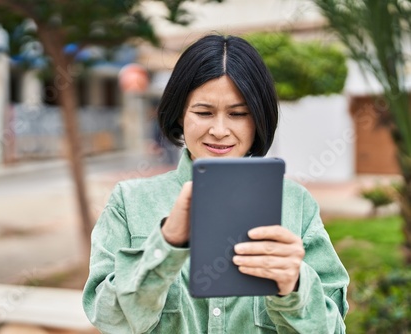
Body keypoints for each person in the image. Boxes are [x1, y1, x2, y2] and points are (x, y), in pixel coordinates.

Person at [83, 34, 349, 333]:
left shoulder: (296, 203)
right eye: (204, 112)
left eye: (238, 114)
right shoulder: (129, 202)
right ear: (180, 114)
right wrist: (167, 243)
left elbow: (333, 328)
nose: (219, 130)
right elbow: (109, 319)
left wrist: (295, 286)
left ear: (258, 118)